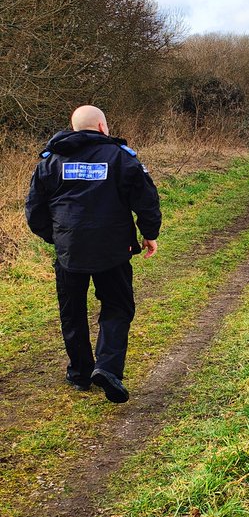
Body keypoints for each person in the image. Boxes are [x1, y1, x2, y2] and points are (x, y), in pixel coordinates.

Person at [25, 105, 161, 404]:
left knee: (72, 312)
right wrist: (149, 233)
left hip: (69, 251)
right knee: (117, 306)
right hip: (113, 251)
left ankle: (80, 372)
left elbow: (34, 211)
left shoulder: (50, 162)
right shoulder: (122, 158)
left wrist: (58, 238)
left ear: (74, 128)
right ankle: (108, 368)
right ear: (102, 127)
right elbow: (147, 199)